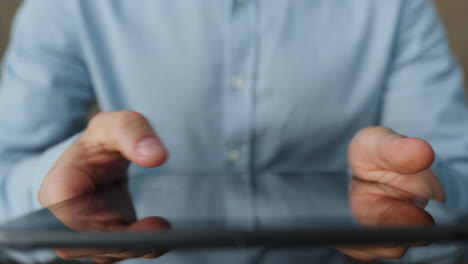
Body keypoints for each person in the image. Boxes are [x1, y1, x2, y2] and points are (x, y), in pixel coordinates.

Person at [0, 0, 467, 263]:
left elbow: (458, 183)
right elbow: (6, 174)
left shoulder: (398, 8)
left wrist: (410, 188)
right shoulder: (65, 7)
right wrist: (53, 186)